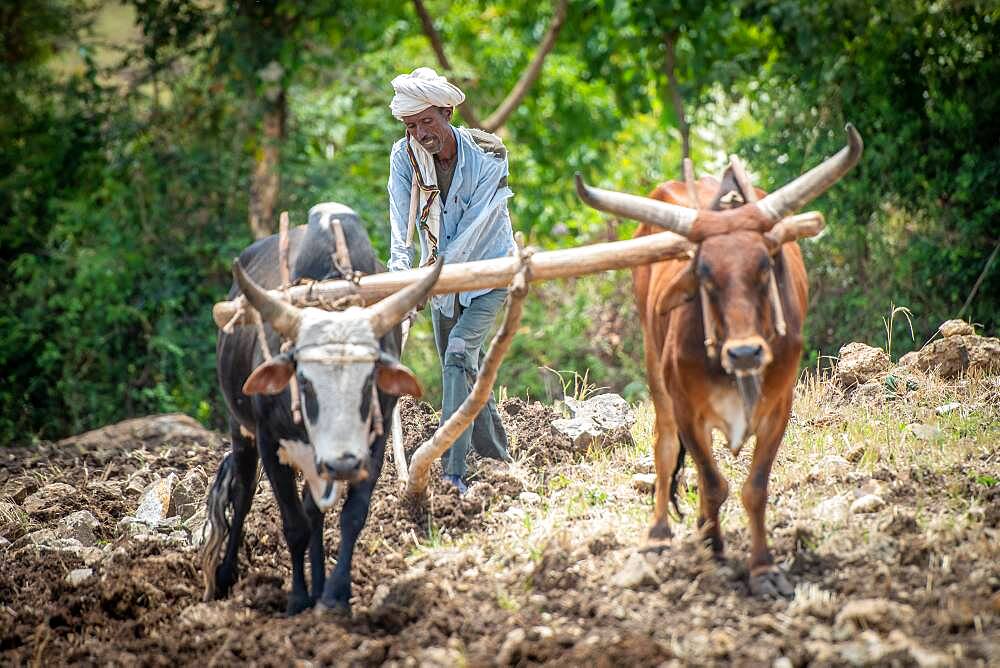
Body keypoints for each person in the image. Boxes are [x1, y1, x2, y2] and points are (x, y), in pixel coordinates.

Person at [386, 67, 514, 494]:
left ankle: (449, 472)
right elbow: (399, 222)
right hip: (441, 284)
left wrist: (428, 276)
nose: (420, 133)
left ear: (448, 111)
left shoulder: (489, 155)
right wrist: (400, 277)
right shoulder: (403, 156)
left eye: (427, 121)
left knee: (458, 354)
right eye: (411, 125)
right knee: (465, 368)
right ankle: (498, 458)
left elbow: (475, 229)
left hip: (490, 273)